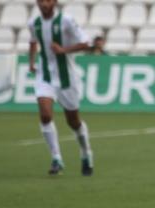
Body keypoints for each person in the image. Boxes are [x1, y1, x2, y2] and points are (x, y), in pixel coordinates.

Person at [28, 0, 94, 176]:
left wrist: (63, 49)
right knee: (45, 115)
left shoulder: (66, 20)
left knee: (73, 121)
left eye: (48, 0)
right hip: (45, 75)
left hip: (66, 77)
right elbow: (33, 41)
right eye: (41, 0)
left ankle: (86, 152)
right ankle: (56, 158)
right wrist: (32, 61)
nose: (44, 4)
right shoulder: (33, 23)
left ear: (55, 2)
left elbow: (86, 43)